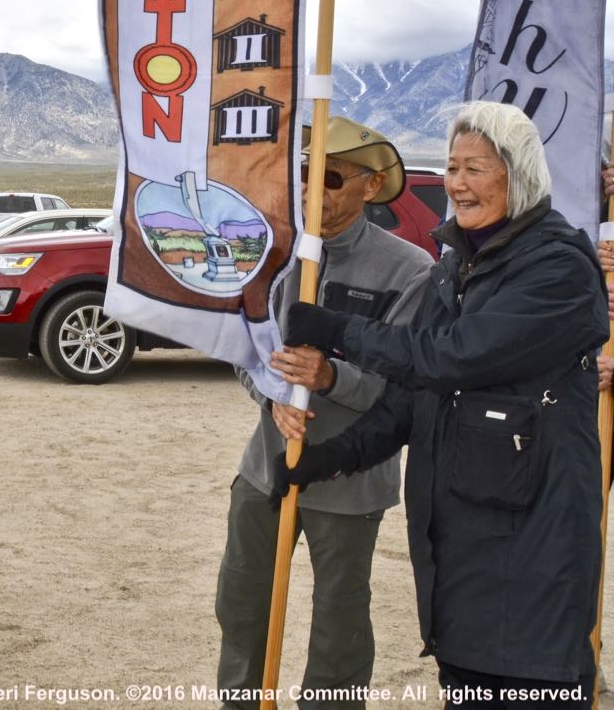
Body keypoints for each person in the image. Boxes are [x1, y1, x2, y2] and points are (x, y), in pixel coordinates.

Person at [279, 101, 606, 708]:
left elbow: (451, 356)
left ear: (518, 174)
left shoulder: (558, 269)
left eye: (475, 168)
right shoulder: (456, 267)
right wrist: (332, 458)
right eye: (452, 167)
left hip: (533, 551)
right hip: (460, 553)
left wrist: (338, 329)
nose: (457, 183)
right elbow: (412, 397)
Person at [216, 116, 432, 710]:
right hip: (267, 466)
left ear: (371, 185)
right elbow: (243, 347)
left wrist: (330, 377)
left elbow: (404, 387)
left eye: (332, 178)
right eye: (306, 174)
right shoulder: (274, 253)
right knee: (241, 603)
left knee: (339, 626)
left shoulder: (410, 270)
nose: (315, 190)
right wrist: (273, 397)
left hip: (350, 483)